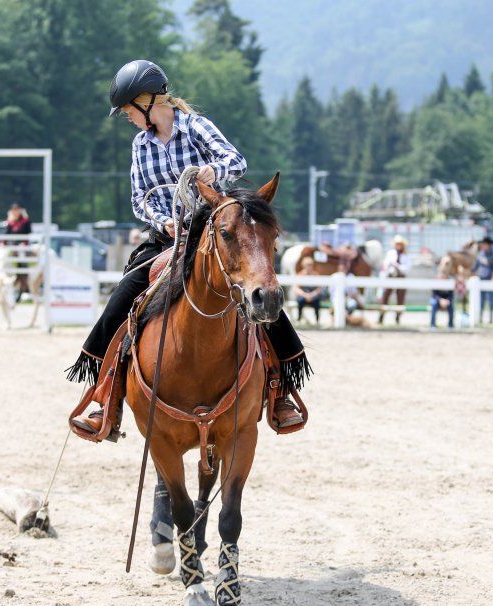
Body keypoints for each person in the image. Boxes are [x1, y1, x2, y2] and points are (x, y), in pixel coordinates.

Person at [66, 60, 312, 565]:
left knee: (262, 298)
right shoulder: (139, 146)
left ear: (149, 101)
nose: (129, 120)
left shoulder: (196, 126)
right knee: (125, 296)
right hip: (167, 238)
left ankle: (282, 386)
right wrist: (166, 224)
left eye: (129, 111)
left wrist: (207, 176)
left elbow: (235, 160)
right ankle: (106, 392)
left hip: (214, 231)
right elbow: (139, 199)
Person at [378, 235, 411, 324]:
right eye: (397, 244)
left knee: (400, 298)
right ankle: (381, 317)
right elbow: (385, 264)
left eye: (400, 244)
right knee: (385, 297)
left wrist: (398, 266)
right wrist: (390, 267)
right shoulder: (391, 253)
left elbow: (407, 268)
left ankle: (397, 318)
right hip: (390, 276)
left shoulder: (406, 255)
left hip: (401, 277)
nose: (398, 245)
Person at [471, 236, 493, 324]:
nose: (482, 246)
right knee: (481, 300)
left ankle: (491, 318)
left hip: (489, 279)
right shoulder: (480, 255)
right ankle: (480, 317)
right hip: (480, 279)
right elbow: (475, 267)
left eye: (484, 244)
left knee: (491, 300)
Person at [293, 256, 324, 325]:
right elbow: (296, 288)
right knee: (300, 301)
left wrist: (312, 295)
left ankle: (317, 321)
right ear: (304, 265)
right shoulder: (300, 275)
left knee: (317, 303)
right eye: (307, 265)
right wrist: (305, 295)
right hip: (304, 295)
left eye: (310, 265)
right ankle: (299, 319)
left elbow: (319, 288)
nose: (309, 267)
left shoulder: (316, 275)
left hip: (313, 295)